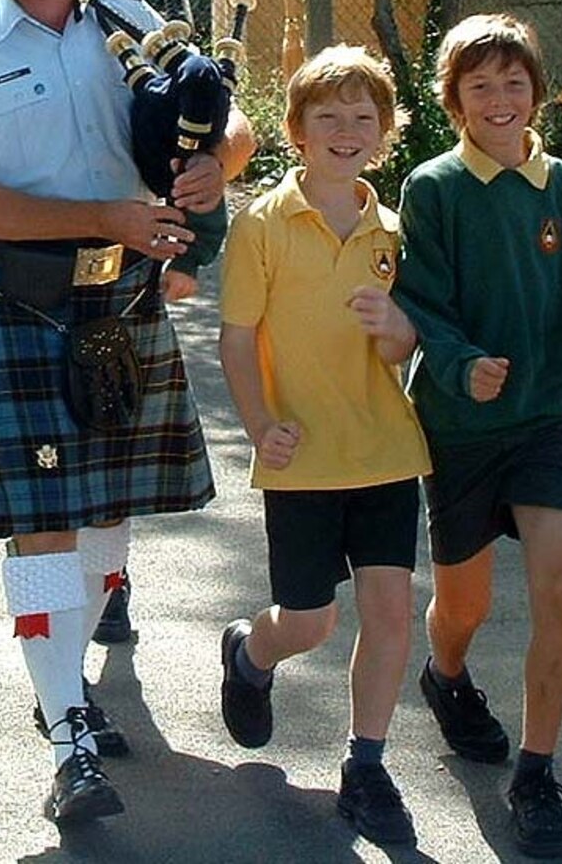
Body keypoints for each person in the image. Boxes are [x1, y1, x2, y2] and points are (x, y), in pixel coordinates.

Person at [0, 0, 254, 823]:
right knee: (43, 522)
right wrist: (105, 217)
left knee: (107, 521)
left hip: (123, 298)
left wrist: (213, 166)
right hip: (17, 298)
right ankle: (65, 736)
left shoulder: (132, 22)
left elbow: (227, 122)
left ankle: (66, 683)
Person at [391, 13, 562, 858]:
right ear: (454, 101)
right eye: (480, 86)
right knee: (465, 603)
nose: (500, 99)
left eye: (514, 82)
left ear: (536, 91)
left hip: (548, 417)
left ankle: (538, 772)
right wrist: (458, 360)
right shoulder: (433, 188)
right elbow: (420, 303)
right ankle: (446, 676)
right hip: (461, 428)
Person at [214, 46, 429, 846]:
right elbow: (238, 340)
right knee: (309, 621)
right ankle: (250, 649)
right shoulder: (262, 225)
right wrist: (260, 423)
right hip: (299, 456)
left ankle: (366, 763)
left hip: (384, 450)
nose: (347, 130)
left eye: (363, 117)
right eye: (328, 117)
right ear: (296, 131)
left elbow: (405, 349)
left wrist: (397, 331)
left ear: (384, 131)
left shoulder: (394, 229)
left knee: (392, 612)